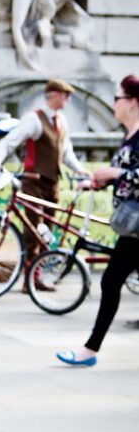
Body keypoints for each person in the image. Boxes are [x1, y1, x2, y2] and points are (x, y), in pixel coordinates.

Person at [57, 75, 139, 367]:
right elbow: (125, 179)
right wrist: (96, 182)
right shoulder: (129, 136)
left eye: (117, 98)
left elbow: (127, 175)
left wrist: (113, 175)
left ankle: (90, 350)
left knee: (111, 280)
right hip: (131, 227)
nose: (114, 104)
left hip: (135, 228)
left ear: (132, 102)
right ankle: (90, 350)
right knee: (112, 281)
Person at [0, 77, 90, 290]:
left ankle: (37, 275)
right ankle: (29, 280)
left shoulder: (61, 121)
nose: (68, 100)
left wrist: (80, 170)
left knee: (47, 232)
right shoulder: (34, 119)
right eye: (65, 95)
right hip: (34, 182)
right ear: (54, 95)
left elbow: (66, 152)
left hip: (53, 183)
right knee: (33, 230)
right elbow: (10, 142)